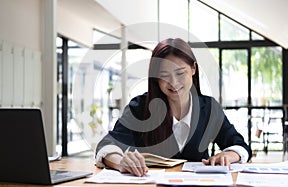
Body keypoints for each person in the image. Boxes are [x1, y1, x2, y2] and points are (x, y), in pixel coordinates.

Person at [95, 38, 252, 176]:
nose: (173, 82)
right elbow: (107, 145)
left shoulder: (209, 108)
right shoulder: (140, 107)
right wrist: (120, 162)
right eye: (164, 75)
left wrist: (229, 155)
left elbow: (239, 145)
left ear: (193, 69)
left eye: (180, 73)